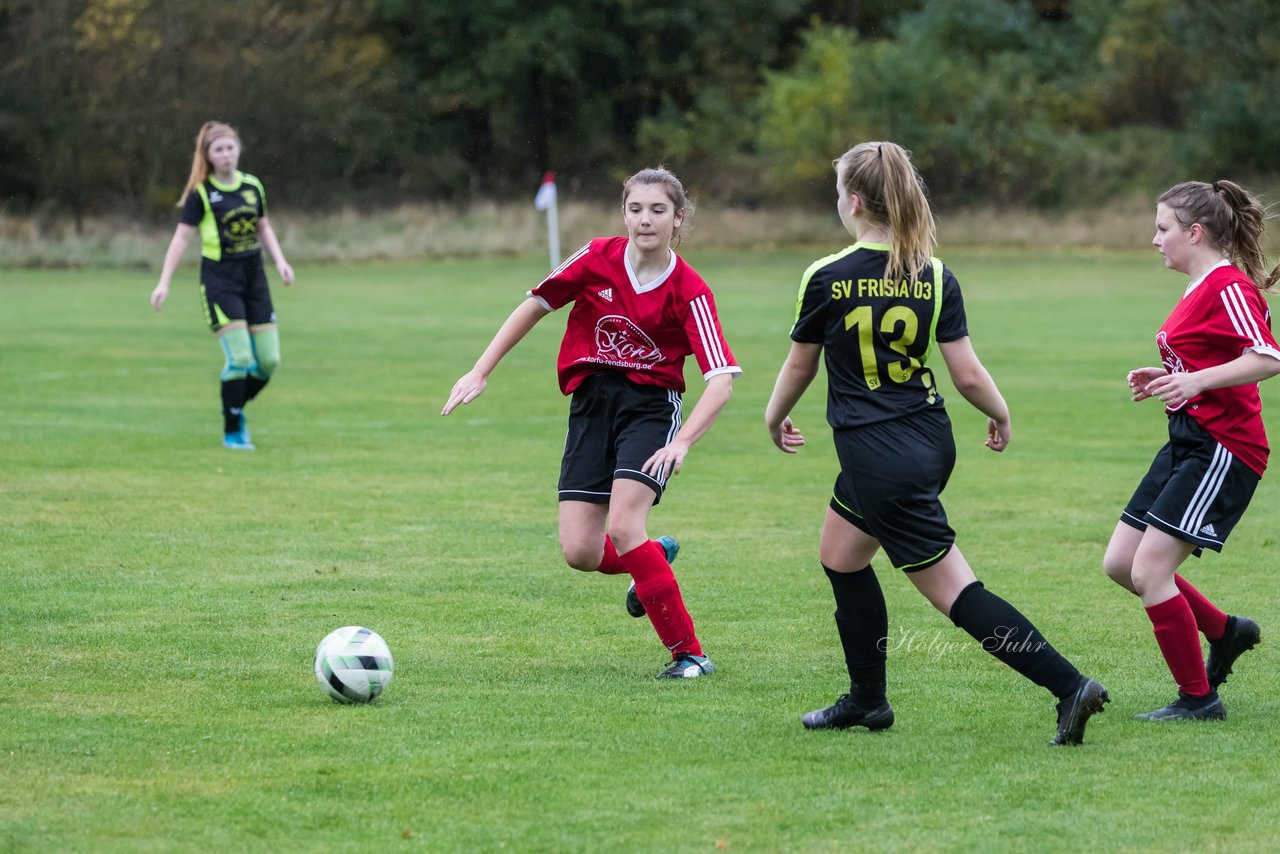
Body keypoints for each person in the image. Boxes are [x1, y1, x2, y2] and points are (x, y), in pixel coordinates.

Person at [763, 141, 1108, 745]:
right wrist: (1000, 413)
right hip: (927, 437)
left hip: (879, 456)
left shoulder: (826, 275)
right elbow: (967, 374)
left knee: (956, 591)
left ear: (854, 201)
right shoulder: (934, 272)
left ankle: (1068, 685)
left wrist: (774, 418)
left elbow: (799, 368)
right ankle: (868, 701)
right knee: (841, 555)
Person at [442, 167, 741, 679]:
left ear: (678, 218)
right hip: (591, 405)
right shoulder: (597, 257)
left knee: (625, 526)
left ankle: (689, 653)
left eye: (658, 210)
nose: (644, 220)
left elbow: (722, 379)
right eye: (635, 209)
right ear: (623, 213)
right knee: (580, 552)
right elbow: (534, 305)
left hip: (650, 409)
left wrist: (685, 441)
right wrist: (480, 369)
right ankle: (652, 560)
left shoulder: (689, 290)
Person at [1102, 179, 1280, 722]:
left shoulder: (1228, 284)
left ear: (1195, 232)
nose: (1155, 240)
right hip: (1187, 441)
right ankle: (1226, 632)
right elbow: (1212, 357)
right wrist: (1170, 376)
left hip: (1225, 449)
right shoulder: (1198, 286)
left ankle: (1199, 700)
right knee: (1120, 564)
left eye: (1163, 229)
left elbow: (1269, 356)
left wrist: (1198, 383)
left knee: (1150, 572)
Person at [150, 121, 295, 450]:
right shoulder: (201, 194)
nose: (227, 154)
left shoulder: (252, 186)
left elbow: (263, 227)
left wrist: (281, 261)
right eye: (219, 149)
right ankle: (233, 427)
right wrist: (164, 283)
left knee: (269, 361)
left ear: (239, 149)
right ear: (208, 156)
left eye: (231, 147)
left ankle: (234, 406)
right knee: (241, 358)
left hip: (254, 278)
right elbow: (180, 239)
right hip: (220, 281)